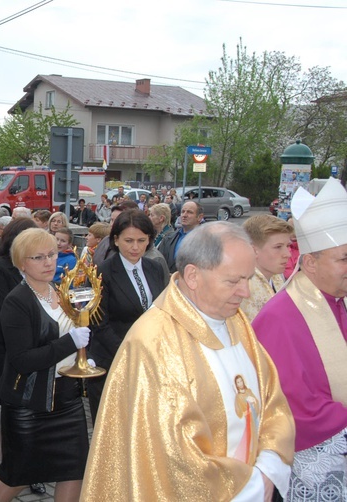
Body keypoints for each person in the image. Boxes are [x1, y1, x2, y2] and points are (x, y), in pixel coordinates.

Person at [81, 222, 295, 500]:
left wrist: (267, 467)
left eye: (248, 279)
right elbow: (172, 460)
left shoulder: (235, 321)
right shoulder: (154, 343)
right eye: (234, 281)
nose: (246, 293)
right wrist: (250, 485)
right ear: (193, 276)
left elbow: (271, 400)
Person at [253, 178, 347, 499]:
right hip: (313, 455)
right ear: (310, 262)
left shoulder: (340, 299)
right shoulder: (281, 317)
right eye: (344, 259)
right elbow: (289, 403)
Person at [0, 228, 90, 502]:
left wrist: (82, 357)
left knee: (74, 471)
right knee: (15, 476)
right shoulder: (16, 302)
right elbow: (23, 360)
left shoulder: (59, 291)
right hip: (29, 404)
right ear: (22, 263)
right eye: (38, 257)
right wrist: (70, 343)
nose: (48, 262)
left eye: (52, 254)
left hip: (67, 400)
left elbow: (69, 335)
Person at [85, 210, 169, 424]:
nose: (135, 247)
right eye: (129, 240)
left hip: (149, 361)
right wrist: (131, 352)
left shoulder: (155, 268)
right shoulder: (101, 273)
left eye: (142, 240)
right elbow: (99, 325)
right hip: (113, 362)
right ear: (115, 239)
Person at [0, 217, 45, 496]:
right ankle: (13, 459)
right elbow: (4, 305)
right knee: (15, 399)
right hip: (9, 342)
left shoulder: (41, 265)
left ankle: (9, 454)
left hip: (40, 342)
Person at [239, 215, 292, 321]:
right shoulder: (244, 287)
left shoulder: (276, 277)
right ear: (253, 250)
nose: (287, 254)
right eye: (278, 247)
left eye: (288, 246)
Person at [157, 200, 203, 273]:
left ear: (199, 217)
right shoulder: (168, 238)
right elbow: (159, 262)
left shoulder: (206, 241)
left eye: (189, 212)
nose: (184, 215)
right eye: (183, 212)